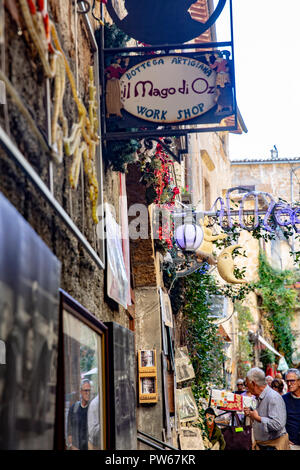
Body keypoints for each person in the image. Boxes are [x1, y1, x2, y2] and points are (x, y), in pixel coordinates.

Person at [244, 367, 289, 450]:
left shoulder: (273, 397)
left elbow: (278, 424)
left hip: (273, 446)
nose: (246, 388)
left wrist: (258, 418)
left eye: (247, 384)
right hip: (263, 445)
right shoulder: (258, 397)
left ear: (253, 384)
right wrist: (251, 415)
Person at [67, 379, 91, 450]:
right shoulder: (73, 409)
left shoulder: (91, 408)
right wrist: (71, 445)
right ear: (81, 392)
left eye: (89, 390)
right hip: (76, 446)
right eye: (86, 390)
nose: (88, 393)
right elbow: (69, 429)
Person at [282, 368, 300, 450]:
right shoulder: (283, 399)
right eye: (287, 381)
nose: (289, 384)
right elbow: (277, 420)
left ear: (299, 382)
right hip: (292, 444)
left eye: (292, 381)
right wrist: (283, 436)